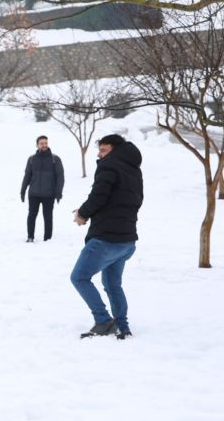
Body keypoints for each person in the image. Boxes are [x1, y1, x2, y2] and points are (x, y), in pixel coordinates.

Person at [70, 134, 143, 340]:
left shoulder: (109, 166)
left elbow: (99, 196)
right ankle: (122, 324)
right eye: (99, 151)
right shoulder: (133, 169)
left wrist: (83, 214)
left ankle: (103, 320)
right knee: (112, 284)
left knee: (79, 277)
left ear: (115, 149)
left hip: (106, 239)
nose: (100, 155)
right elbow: (123, 200)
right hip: (127, 240)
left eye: (103, 150)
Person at [21, 135, 65, 242]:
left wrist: (58, 192)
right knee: (31, 216)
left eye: (46, 143)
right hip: (34, 194)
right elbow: (27, 175)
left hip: (49, 194)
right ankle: (30, 237)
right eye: (42, 143)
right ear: (37, 145)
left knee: (48, 217)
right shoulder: (32, 159)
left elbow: (60, 176)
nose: (44, 145)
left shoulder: (55, 159)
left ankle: (48, 238)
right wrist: (22, 190)